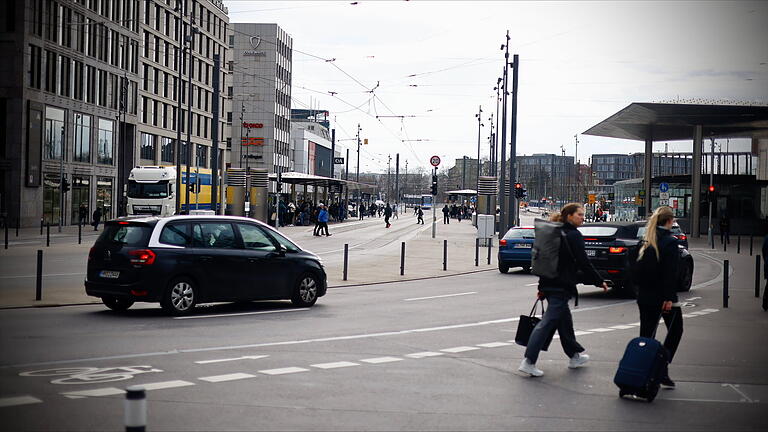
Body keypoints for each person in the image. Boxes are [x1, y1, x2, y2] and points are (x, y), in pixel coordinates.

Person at [518, 203, 609, 377]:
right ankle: (529, 361)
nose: (582, 218)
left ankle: (574, 356)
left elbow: (545, 260)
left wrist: (541, 287)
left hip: (550, 284)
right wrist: (599, 281)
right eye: (579, 215)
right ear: (569, 216)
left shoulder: (556, 233)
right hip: (561, 286)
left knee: (565, 322)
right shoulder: (573, 235)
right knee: (546, 324)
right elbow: (584, 262)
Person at [635, 206, 684, 388]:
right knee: (676, 330)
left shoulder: (647, 239)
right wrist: (669, 297)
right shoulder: (669, 242)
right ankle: (661, 367)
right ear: (670, 221)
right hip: (663, 297)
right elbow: (669, 273)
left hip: (645, 296)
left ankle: (640, 372)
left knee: (646, 335)